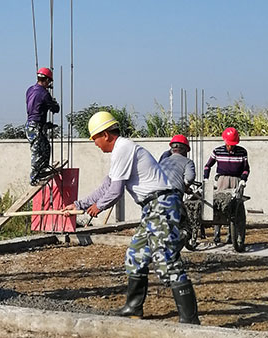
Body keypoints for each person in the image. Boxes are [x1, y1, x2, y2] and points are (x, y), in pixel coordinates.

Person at [64, 111, 200, 324]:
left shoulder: (124, 148)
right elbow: (107, 186)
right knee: (136, 255)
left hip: (162, 205)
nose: (95, 144)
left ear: (106, 135)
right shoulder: (121, 151)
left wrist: (97, 208)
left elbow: (115, 191)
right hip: (151, 208)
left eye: (95, 139)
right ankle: (133, 308)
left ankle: (190, 320)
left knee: (166, 259)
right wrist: (79, 204)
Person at [202, 127, 250, 244]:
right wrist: (206, 178)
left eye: (233, 145)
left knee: (234, 207)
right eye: (229, 144)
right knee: (219, 205)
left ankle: (231, 235)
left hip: (236, 180)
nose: (230, 147)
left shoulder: (242, 152)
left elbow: (246, 169)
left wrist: (243, 179)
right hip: (222, 179)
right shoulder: (217, 151)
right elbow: (208, 166)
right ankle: (217, 234)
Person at [26, 67, 60, 185]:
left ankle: (42, 170)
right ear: (46, 80)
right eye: (49, 81)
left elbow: (37, 108)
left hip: (32, 125)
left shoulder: (30, 90)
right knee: (37, 151)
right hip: (35, 126)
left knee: (45, 147)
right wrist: (53, 102)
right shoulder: (44, 94)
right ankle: (34, 178)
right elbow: (55, 109)